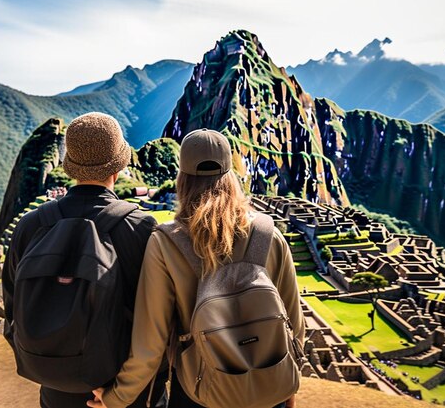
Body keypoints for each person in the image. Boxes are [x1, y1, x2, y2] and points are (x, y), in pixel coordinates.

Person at [88, 129, 305, 408]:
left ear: (182, 178)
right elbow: (293, 327)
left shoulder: (166, 243)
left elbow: (150, 343)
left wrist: (116, 398)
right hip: (268, 387)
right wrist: (288, 390)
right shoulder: (267, 235)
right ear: (231, 175)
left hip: (201, 393)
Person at [2, 112, 166, 408]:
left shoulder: (30, 227)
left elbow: (13, 308)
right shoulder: (141, 229)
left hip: (55, 389)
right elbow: (158, 321)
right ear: (120, 164)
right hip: (127, 391)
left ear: (70, 166)